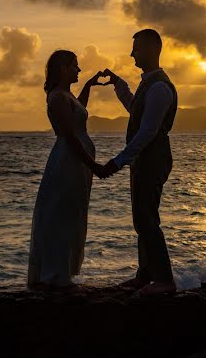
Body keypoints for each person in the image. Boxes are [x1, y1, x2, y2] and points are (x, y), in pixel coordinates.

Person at [95, 29, 178, 296]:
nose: (132, 53)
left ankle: (164, 280)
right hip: (144, 159)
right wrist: (120, 86)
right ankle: (145, 276)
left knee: (147, 219)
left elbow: (148, 131)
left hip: (153, 159)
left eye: (136, 48)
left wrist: (118, 162)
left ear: (152, 49)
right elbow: (137, 111)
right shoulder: (149, 85)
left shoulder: (160, 88)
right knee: (142, 218)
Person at [27, 50, 107, 290]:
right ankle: (55, 274)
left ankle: (65, 271)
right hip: (69, 160)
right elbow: (71, 136)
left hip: (76, 161)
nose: (79, 70)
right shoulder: (57, 98)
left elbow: (79, 110)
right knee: (61, 215)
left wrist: (90, 85)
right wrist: (93, 165)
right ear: (63, 68)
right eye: (75, 66)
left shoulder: (66, 96)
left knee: (72, 213)